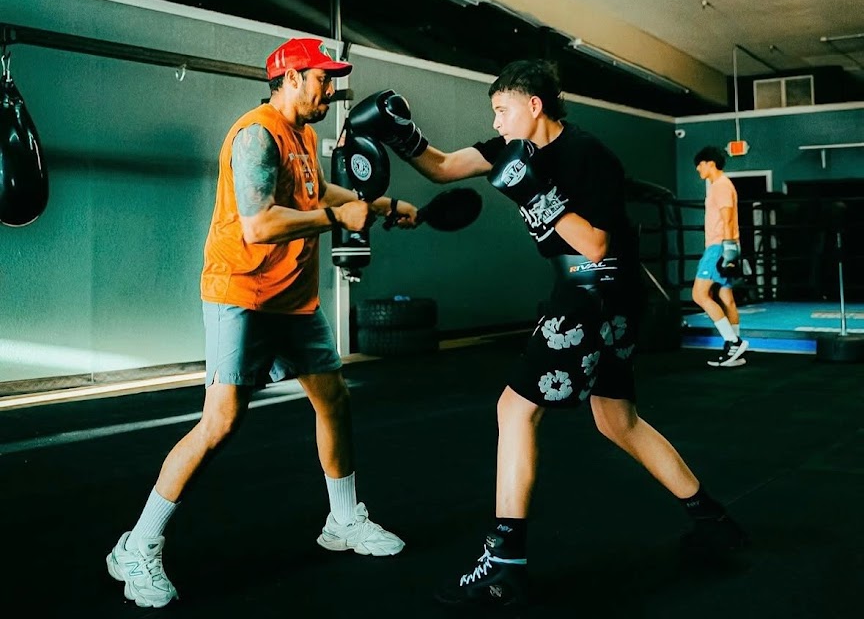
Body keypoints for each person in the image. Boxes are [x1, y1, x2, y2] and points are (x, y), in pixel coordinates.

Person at [347, 60, 746, 608]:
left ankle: (504, 564)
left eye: (502, 110)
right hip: (601, 297)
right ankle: (713, 519)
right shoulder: (509, 149)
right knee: (617, 420)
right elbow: (441, 167)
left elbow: (597, 245)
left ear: (534, 105)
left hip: (596, 290)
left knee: (515, 410)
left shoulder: (588, 155)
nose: (498, 121)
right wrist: (398, 135)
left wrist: (536, 194)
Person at [106, 37, 418, 608]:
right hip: (241, 293)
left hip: (292, 298)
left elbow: (316, 191)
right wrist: (336, 216)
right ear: (292, 77)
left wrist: (377, 205)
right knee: (220, 423)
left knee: (335, 400)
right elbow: (259, 225)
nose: (331, 88)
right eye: (323, 78)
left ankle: (343, 521)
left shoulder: (305, 135)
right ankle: (136, 546)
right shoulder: (256, 133)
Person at [691, 146, 749, 368]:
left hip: (719, 245)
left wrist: (727, 249)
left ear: (710, 163)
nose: (698, 168)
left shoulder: (721, 186)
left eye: (700, 164)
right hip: (725, 244)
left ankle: (733, 341)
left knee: (699, 294)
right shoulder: (721, 185)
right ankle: (735, 351)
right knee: (726, 298)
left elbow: (727, 218)